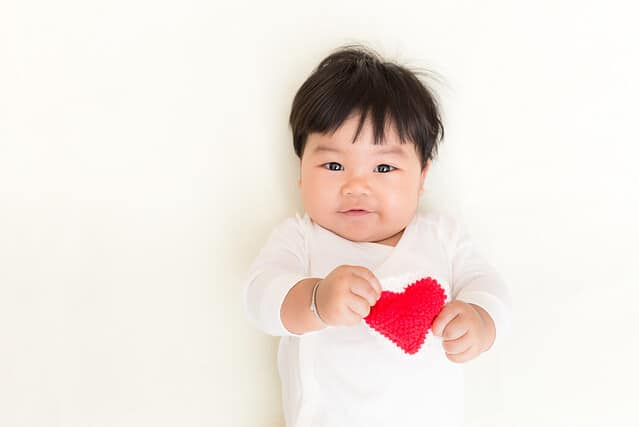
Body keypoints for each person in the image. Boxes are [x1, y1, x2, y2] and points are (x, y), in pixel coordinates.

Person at [243, 45, 511, 427]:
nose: (357, 186)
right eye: (333, 164)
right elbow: (259, 298)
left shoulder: (443, 237)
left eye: (383, 167)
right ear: (301, 173)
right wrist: (316, 299)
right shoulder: (301, 240)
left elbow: (490, 286)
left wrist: (481, 320)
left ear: (421, 178)